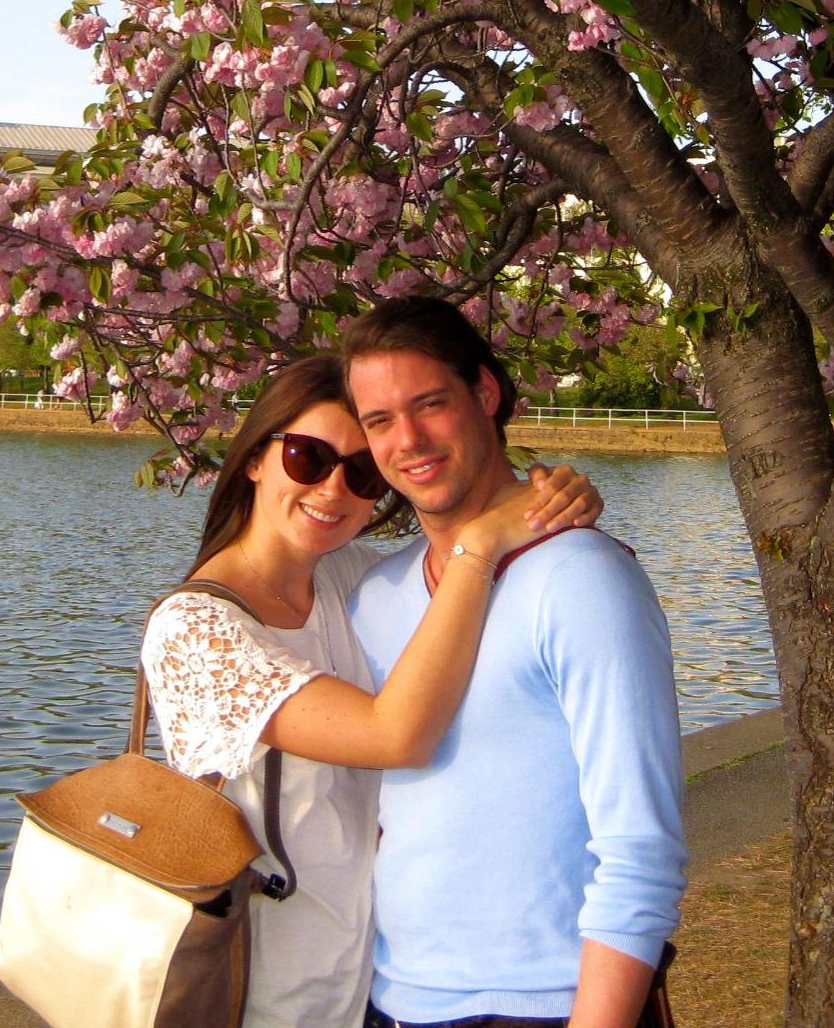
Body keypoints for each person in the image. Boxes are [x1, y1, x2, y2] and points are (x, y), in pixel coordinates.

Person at [141, 353, 604, 1028]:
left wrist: (551, 496)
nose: (333, 489)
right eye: (307, 457)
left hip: (375, 982)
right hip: (264, 994)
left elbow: (470, 568)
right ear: (252, 459)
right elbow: (397, 735)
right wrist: (483, 544)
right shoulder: (195, 630)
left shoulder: (350, 575)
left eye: (362, 473)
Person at [342, 296, 687, 1028]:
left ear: (485, 393)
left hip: (547, 1005)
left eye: (429, 404)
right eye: (379, 421)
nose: (409, 439)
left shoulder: (581, 579)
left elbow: (640, 846)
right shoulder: (376, 594)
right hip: (392, 1002)